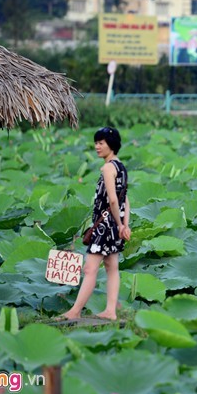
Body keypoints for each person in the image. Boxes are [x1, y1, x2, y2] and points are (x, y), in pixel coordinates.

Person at [59, 127, 130, 321]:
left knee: (90, 269)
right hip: (115, 225)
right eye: (96, 143)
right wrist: (124, 224)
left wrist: (118, 223)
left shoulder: (108, 168)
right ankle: (110, 311)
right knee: (111, 266)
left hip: (105, 225)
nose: (97, 146)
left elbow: (114, 200)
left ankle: (75, 311)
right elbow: (126, 201)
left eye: (101, 143)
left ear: (111, 145)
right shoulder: (120, 167)